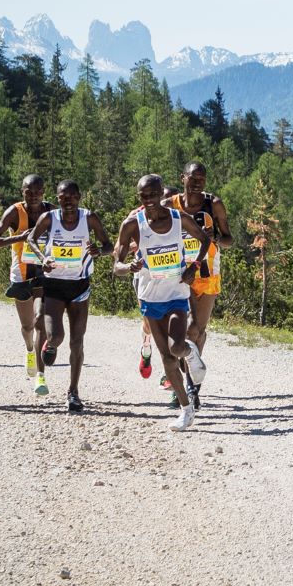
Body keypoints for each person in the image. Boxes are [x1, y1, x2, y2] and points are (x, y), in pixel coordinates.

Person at [112, 173, 213, 431]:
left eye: (153, 195)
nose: (148, 200)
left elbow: (205, 239)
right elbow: (116, 265)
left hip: (177, 294)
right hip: (150, 298)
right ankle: (186, 410)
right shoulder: (132, 224)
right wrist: (129, 266)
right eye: (143, 196)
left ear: (162, 195)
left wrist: (195, 265)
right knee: (167, 359)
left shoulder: (179, 219)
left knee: (177, 347)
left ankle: (191, 353)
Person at [20, 180, 113, 411]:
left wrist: (98, 251)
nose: (68, 201)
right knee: (56, 336)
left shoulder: (88, 218)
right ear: (58, 198)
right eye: (63, 197)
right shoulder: (49, 218)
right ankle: (49, 346)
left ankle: (73, 392)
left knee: (77, 342)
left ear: (79, 197)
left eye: (72, 196)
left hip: (80, 285)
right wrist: (43, 259)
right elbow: (31, 239)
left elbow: (109, 245)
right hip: (53, 285)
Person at [163, 162, 233, 408]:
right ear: (182, 178)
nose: (197, 183)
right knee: (180, 331)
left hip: (206, 274)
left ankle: (192, 383)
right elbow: (145, 223)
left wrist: (215, 237)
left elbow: (229, 239)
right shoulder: (169, 205)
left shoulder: (213, 204)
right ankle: (184, 386)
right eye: (193, 178)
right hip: (177, 273)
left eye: (201, 179)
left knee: (197, 330)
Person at [0, 174, 50, 392]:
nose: (33, 196)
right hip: (21, 274)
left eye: (37, 191)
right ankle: (30, 349)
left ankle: (40, 376)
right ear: (22, 191)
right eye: (28, 191)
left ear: (44, 192)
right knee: (27, 325)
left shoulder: (51, 211)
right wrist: (20, 238)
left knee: (40, 319)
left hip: (44, 273)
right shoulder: (14, 212)